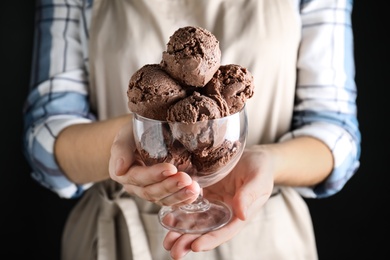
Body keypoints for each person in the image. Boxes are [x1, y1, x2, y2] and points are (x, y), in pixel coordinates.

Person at [23, 0, 361, 259]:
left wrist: (268, 161)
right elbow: (46, 135)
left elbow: (336, 134)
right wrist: (131, 141)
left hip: (264, 238)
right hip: (114, 238)